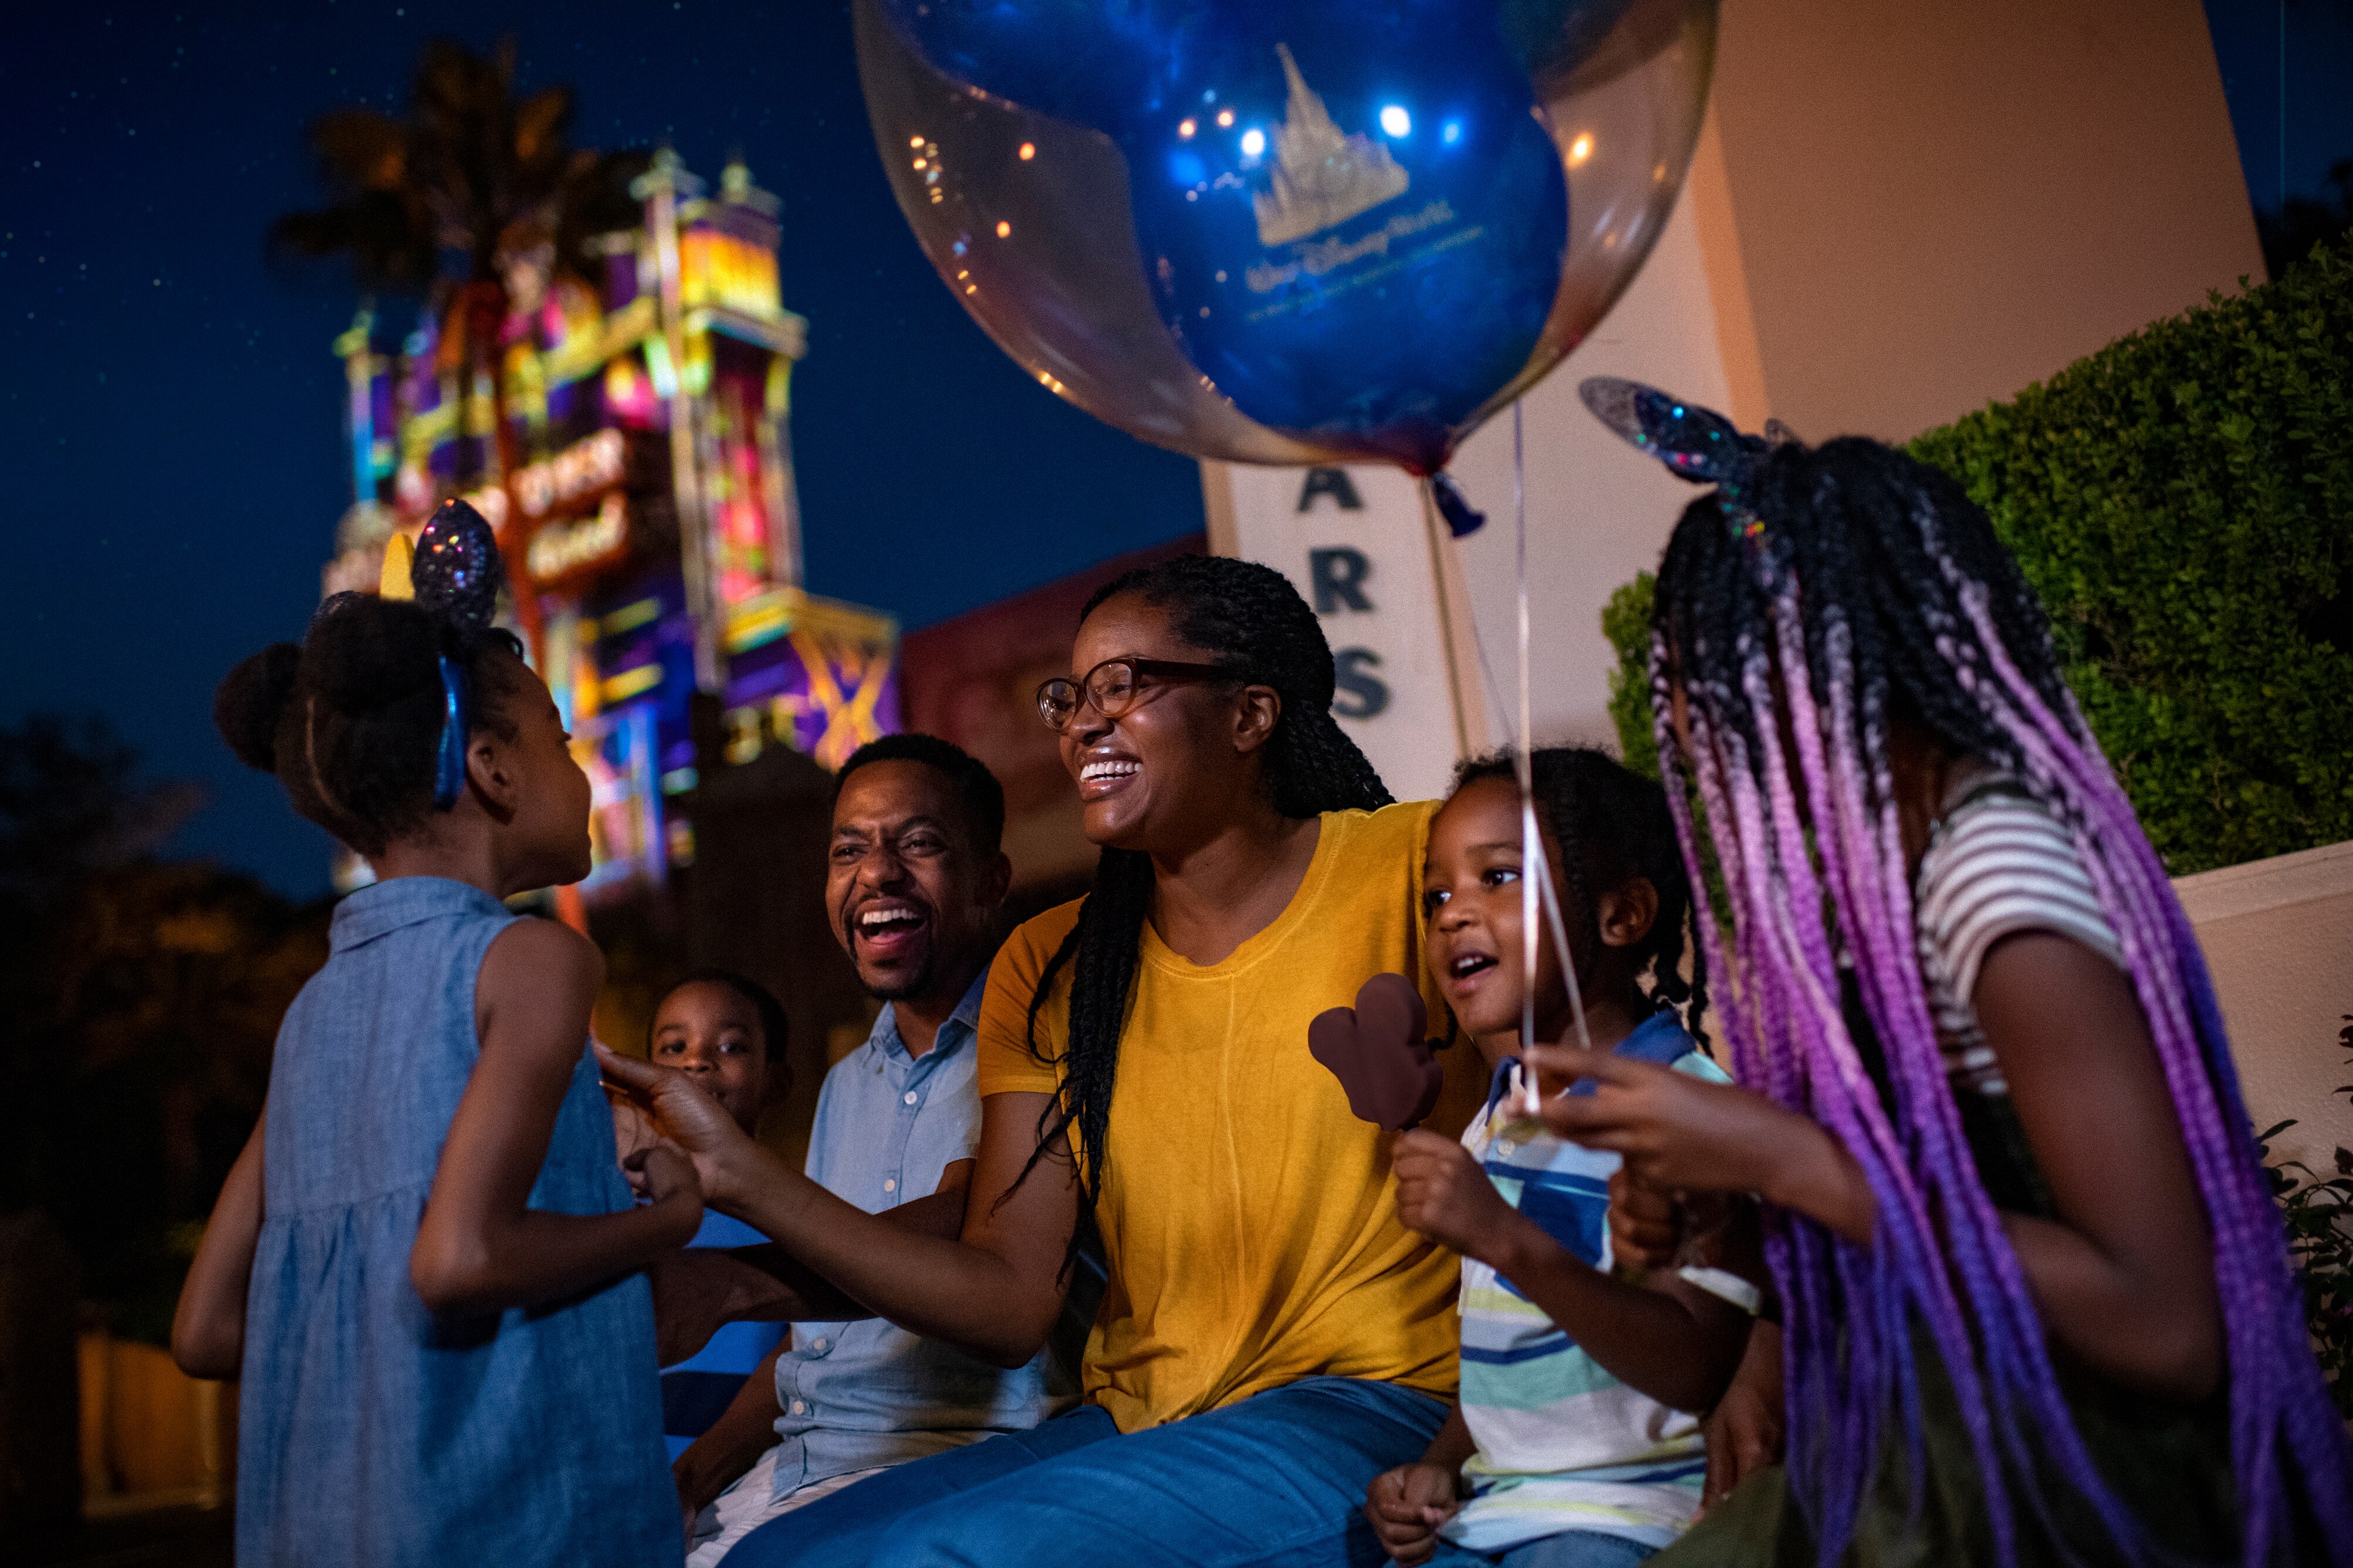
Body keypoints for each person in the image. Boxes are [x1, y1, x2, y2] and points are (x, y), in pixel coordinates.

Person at [1535, 384, 2353, 1566]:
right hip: (1942, 1442)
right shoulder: (1893, 889)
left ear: (1799, 675)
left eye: (1700, 694)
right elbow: (1936, 1210)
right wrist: (1726, 1216)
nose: (1700, 740)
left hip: (2075, 1485)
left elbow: (2170, 1328)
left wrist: (1787, 1158)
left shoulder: (1993, 873)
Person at [600, 554, 1489, 1568]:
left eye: (1128, 684)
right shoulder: (1052, 959)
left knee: (927, 1558)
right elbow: (1010, 1295)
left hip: (1370, 1402)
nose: (1082, 722)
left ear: (1251, 713)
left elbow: (1595, 1093)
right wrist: (734, 1220)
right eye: (1073, 694)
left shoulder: (1422, 865)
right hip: (1142, 1412)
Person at [171, 546, 693, 1567]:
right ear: (494, 769)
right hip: (514, 1526)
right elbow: (461, 1258)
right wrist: (666, 1221)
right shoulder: (533, 959)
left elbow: (205, 1328)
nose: (584, 768)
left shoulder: (314, 1013)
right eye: (563, 737)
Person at [645, 734, 1087, 1565]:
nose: (876, 872)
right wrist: (690, 1475)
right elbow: (810, 1339)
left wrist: (729, 1279)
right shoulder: (847, 1080)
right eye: (849, 848)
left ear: (992, 880)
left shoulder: (1039, 1032)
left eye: (918, 843)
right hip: (798, 1466)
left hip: (945, 1460)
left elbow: (970, 1221)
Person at [1367, 749, 1754, 1568]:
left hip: (1623, 1524)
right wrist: (1437, 1465)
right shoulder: (1500, 1116)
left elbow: (1695, 1363)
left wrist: (1505, 1239)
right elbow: (1511, 1358)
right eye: (1437, 893)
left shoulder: (1686, 1111)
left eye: (1496, 878)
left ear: (1621, 915)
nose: (1451, 915)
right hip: (1492, 1516)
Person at [648, 971, 793, 1464]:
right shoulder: (625, 1220)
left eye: (731, 1047)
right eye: (673, 1047)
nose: (697, 1060)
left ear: (777, 1080)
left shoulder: (796, 1218)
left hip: (745, 1476)